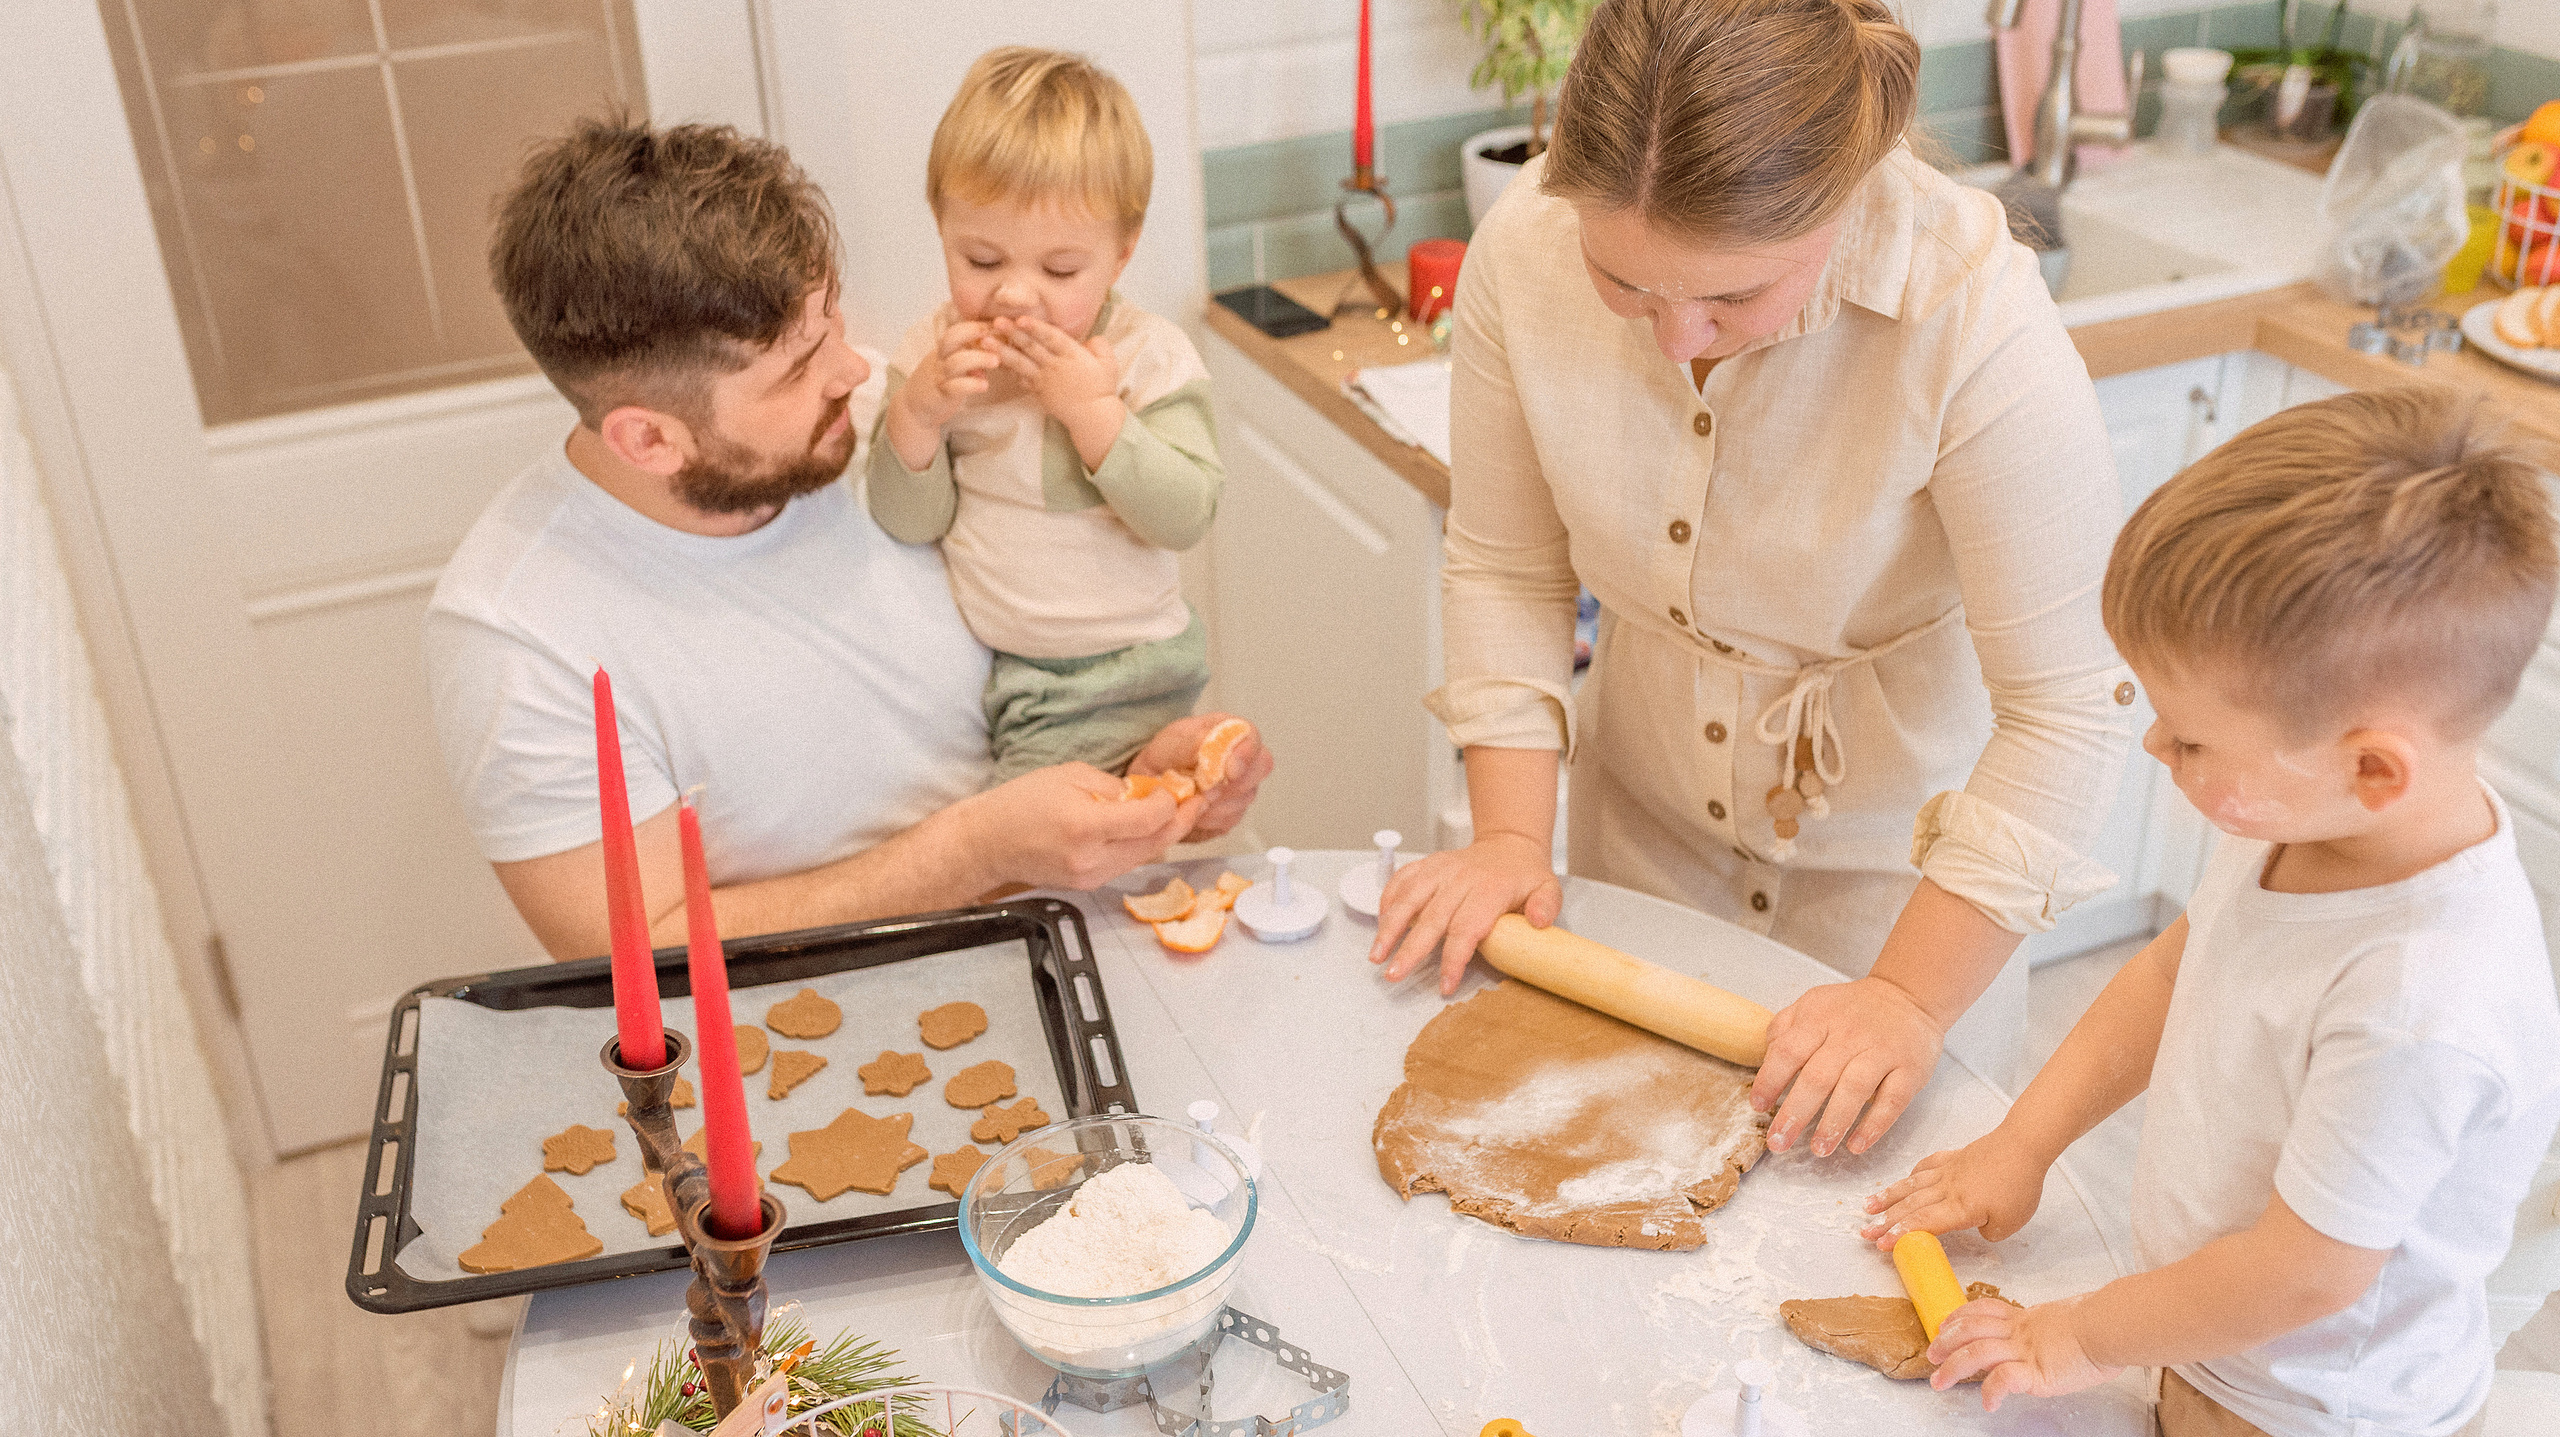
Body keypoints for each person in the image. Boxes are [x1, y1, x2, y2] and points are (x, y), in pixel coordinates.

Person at [1370, 0, 2137, 1157]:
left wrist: (1911, 1001)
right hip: (1642, 827)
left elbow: (2071, 705)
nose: (1679, 338)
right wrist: (1510, 843)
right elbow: (1505, 562)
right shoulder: (1521, 249)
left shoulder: (1968, 306)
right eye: (1624, 284)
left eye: (1733, 298)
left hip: (1904, 885)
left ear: (1845, 201)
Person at [1864, 389, 2560, 1437]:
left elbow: (2301, 1277)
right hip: (2210, 1349)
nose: (2157, 751)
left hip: (2319, 1414)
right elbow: (2170, 974)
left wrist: (2077, 1337)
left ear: (2372, 766)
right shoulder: (2314, 818)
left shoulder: (2419, 1003)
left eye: (2189, 741)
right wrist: (2024, 1144)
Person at [425, 117, 1267, 960]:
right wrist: (977, 852)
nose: (855, 371)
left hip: (1070, 946)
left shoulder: (896, 425)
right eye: (797, 368)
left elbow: (1045, 687)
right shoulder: (520, 635)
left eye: (830, 322)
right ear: (649, 440)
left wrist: (1141, 767)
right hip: (825, 1031)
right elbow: (632, 956)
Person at [870, 48, 1223, 783]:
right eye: (981, 261)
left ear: (1120, 257)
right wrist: (917, 415)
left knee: (1028, 848)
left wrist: (1091, 411)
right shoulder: (933, 357)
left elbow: (1186, 513)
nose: (1016, 295)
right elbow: (908, 521)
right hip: (1018, 678)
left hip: (1137, 665)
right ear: (942, 231)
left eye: (1059, 271)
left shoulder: (1147, 355)